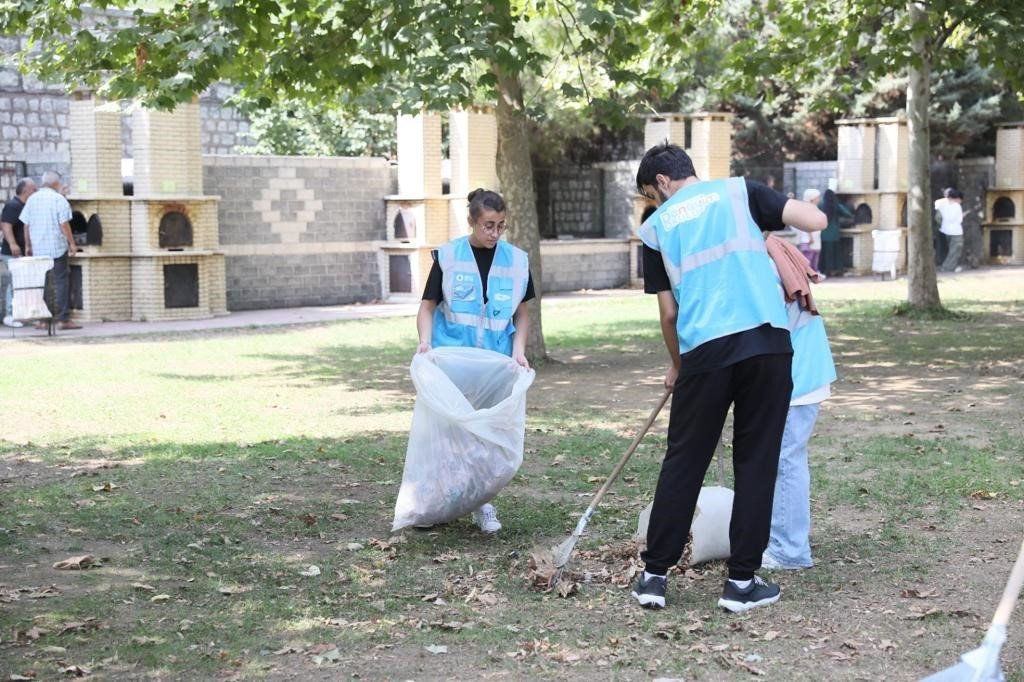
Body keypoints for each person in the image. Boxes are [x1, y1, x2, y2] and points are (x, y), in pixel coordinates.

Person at [631, 143, 825, 613]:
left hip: (705, 352)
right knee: (757, 463)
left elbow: (668, 313)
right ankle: (741, 583)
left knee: (684, 461)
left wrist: (677, 363)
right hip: (767, 345)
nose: (654, 204)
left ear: (662, 182)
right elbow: (815, 220)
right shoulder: (742, 192)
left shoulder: (656, 228)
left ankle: (654, 577)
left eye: (651, 194)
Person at [415, 188, 535, 534]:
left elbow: (522, 314)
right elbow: (427, 307)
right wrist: (425, 342)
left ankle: (482, 502)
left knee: (484, 435)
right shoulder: (449, 256)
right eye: (488, 225)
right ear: (471, 222)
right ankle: (435, 503)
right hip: (453, 360)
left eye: (501, 225)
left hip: (493, 364)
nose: (495, 233)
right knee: (448, 434)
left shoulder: (516, 261)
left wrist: (518, 349)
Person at [761, 235, 837, 571]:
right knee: (782, 458)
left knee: (786, 459)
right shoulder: (771, 252)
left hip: (797, 374)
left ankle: (789, 550)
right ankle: (778, 538)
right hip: (798, 370)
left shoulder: (764, 265)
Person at [20, 170, 81, 330]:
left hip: (39, 248)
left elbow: (26, 225)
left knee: (43, 284)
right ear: (56, 183)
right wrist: (72, 243)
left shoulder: (32, 199)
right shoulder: (59, 199)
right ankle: (63, 320)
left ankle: (43, 321)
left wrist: (28, 246)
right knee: (61, 282)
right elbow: (64, 224)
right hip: (56, 248)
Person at [1, 177, 38, 327]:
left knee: (22, 283)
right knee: (14, 283)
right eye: (34, 190)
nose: (36, 192)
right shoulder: (13, 205)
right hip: (12, 252)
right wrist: (13, 244)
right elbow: (5, 225)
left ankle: (21, 313)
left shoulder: (24, 206)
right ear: (25, 191)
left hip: (21, 252)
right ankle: (10, 315)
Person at [817, 189, 853, 277]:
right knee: (836, 254)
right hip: (835, 234)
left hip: (824, 233)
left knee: (825, 254)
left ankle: (825, 270)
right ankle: (837, 270)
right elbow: (848, 214)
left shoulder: (821, 205)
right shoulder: (837, 205)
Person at [935, 189, 964, 273]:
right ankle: (947, 267)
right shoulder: (957, 206)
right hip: (956, 231)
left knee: (950, 250)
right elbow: (959, 220)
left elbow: (937, 217)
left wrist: (942, 225)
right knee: (955, 250)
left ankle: (949, 266)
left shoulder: (940, 204)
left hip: (944, 230)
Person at [797, 188, 823, 275]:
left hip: (815, 239)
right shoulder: (807, 209)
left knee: (815, 258)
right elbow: (806, 224)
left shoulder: (814, 208)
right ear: (812, 198)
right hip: (808, 240)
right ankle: (807, 275)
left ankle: (814, 274)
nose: (819, 199)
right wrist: (810, 237)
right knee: (808, 258)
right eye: (817, 197)